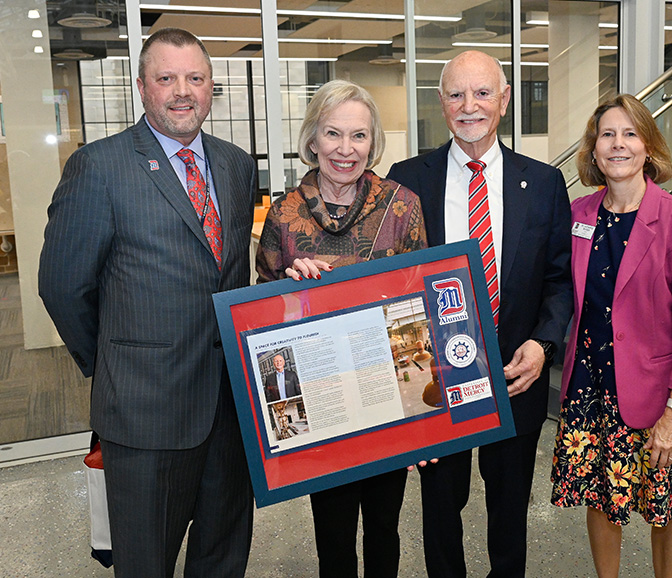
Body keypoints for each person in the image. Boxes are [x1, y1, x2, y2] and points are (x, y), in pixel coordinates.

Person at [38, 28, 256, 577]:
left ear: (211, 87)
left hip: (230, 409)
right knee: (145, 563)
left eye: (196, 78)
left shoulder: (235, 165)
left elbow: (231, 274)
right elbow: (63, 286)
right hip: (145, 413)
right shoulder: (100, 167)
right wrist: (116, 363)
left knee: (223, 553)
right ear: (141, 87)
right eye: (167, 78)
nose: (183, 91)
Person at [387, 50, 572, 577]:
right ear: (441, 103)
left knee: (509, 508)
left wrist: (543, 345)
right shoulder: (406, 180)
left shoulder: (542, 183)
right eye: (456, 94)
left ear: (505, 100)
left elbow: (559, 281)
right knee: (440, 508)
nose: (470, 106)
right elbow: (387, 279)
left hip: (518, 374)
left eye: (483, 93)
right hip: (434, 383)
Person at [255, 79, 428, 578]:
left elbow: (420, 308)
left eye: (359, 136)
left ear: (373, 143)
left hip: (386, 391)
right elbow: (262, 320)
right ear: (313, 139)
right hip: (321, 395)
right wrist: (288, 288)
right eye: (333, 134)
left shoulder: (402, 206)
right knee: (331, 536)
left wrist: (422, 413)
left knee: (384, 531)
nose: (345, 149)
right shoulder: (284, 214)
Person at [550, 94, 672, 578]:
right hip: (591, 385)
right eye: (608, 134)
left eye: (630, 134)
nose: (618, 144)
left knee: (667, 507)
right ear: (594, 149)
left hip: (662, 392)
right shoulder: (578, 216)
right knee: (602, 499)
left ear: (648, 146)